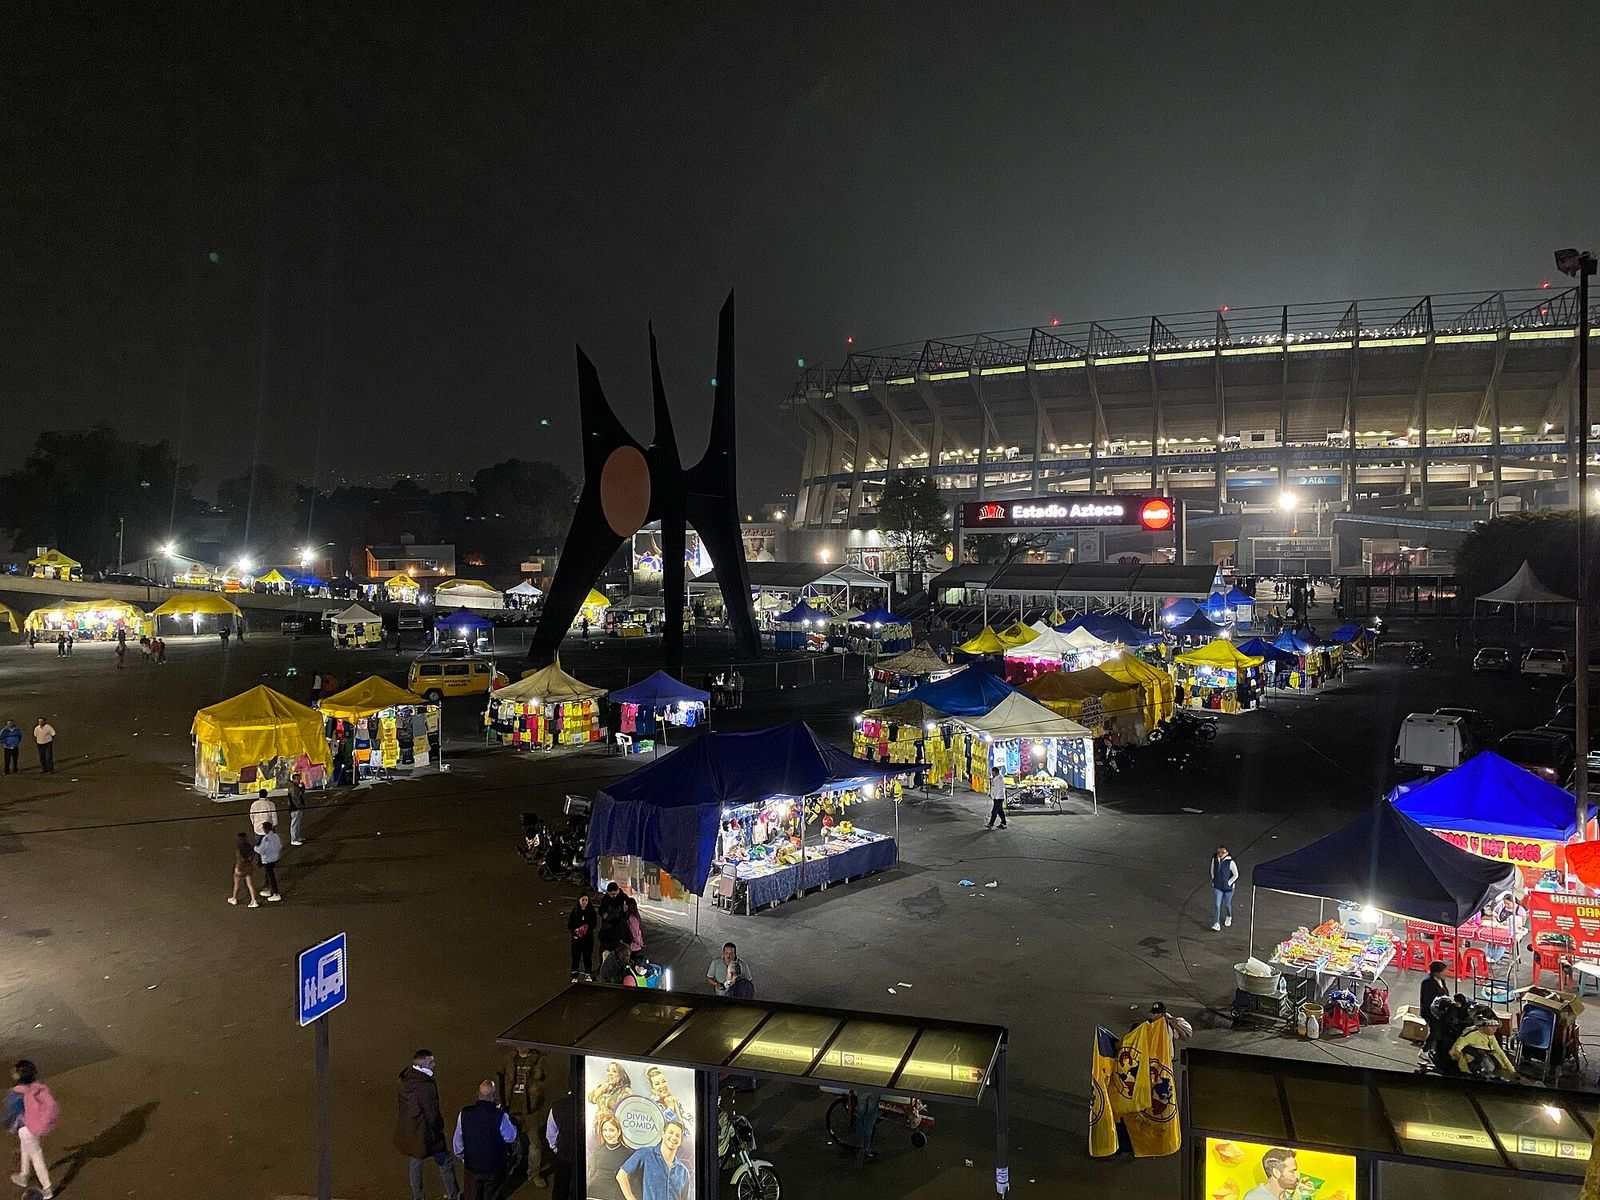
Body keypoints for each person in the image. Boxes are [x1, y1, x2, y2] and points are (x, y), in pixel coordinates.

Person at [396, 1050, 461, 1200]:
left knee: (415, 1162)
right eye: (431, 1062)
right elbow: (431, 1113)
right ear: (424, 1063)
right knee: (445, 1162)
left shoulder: (405, 1079)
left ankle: (417, 1197)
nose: (434, 1064)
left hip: (412, 1131)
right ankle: (454, 1195)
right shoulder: (425, 1085)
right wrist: (439, 1127)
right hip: (428, 1133)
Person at [452, 1079, 517, 1200]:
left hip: (472, 1168)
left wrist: (463, 1157)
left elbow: (458, 1143)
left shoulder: (464, 1113)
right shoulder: (500, 1115)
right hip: (494, 1168)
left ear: (478, 1094)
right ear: (494, 1096)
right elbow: (511, 1137)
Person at [7, 1059, 58, 1199]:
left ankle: (47, 1188)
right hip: (36, 1125)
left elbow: (12, 1114)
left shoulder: (17, 1093)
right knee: (26, 1149)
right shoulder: (37, 1087)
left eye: (15, 1071)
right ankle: (24, 1175)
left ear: (19, 1075)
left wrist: (9, 1125)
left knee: (36, 1156)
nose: (12, 1072)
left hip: (26, 1129)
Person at [502, 1046, 547, 1189]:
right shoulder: (509, 1058)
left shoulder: (538, 1059)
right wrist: (502, 1103)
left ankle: (534, 1174)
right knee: (509, 1142)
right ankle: (509, 1172)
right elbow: (501, 1080)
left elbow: (541, 1078)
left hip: (530, 1109)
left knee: (535, 1143)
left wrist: (538, 1067)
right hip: (512, 1108)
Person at [616, 1118, 689, 1200]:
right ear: (663, 1134)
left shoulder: (683, 1172)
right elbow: (621, 1175)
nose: (674, 1137)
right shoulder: (646, 1154)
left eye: (677, 1135)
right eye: (671, 1132)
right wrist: (631, 1198)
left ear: (680, 1140)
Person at [587, 1111, 631, 1200]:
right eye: (605, 1130)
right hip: (593, 1194)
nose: (607, 1134)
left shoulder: (628, 1154)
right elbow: (591, 1174)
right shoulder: (597, 1152)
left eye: (611, 1130)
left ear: (619, 1132)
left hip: (616, 1196)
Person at [1419, 960, 1451, 1061]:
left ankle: (1435, 1049)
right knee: (1435, 1031)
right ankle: (1424, 1051)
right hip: (1430, 1012)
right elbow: (1428, 1001)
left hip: (1440, 1011)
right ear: (1437, 972)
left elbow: (1445, 993)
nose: (1446, 973)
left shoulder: (1441, 980)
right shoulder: (1427, 983)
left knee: (1441, 1030)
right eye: (1444, 971)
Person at [228, 831, 260, 908]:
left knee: (237, 884)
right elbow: (252, 856)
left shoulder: (239, 848)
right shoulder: (249, 846)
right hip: (249, 867)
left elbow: (239, 859)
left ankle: (234, 898)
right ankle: (254, 900)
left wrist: (237, 868)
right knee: (250, 884)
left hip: (241, 868)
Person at [1210, 846, 1238, 932]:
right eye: (1219, 852)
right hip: (1218, 887)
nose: (1220, 854)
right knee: (1217, 904)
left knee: (1227, 904)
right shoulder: (1214, 860)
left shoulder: (1231, 862)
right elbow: (1212, 870)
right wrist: (1214, 880)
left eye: (1223, 852)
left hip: (1228, 888)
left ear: (1226, 853)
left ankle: (1229, 916)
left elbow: (1236, 874)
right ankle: (1216, 923)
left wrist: (1229, 883)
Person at [568, 894, 596, 980]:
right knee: (576, 957)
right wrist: (575, 932)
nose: (584, 902)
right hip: (577, 940)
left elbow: (594, 924)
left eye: (586, 900)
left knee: (587, 957)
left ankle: (587, 974)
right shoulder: (575, 911)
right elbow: (570, 925)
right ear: (579, 900)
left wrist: (586, 929)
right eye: (582, 900)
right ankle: (574, 975)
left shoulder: (591, 911)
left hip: (587, 939)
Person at [256, 821, 284, 901]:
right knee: (268, 875)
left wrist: (255, 848)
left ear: (265, 829)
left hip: (268, 860)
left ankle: (275, 893)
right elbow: (280, 846)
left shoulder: (266, 838)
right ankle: (268, 889)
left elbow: (261, 850)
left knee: (271, 876)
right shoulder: (276, 836)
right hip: (275, 858)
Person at [597, 883, 627, 952]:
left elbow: (626, 915)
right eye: (611, 894)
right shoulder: (606, 898)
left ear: (618, 890)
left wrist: (624, 912)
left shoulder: (623, 898)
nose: (614, 896)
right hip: (607, 930)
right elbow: (601, 909)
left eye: (615, 894)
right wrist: (603, 913)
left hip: (618, 930)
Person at [286, 770, 307, 845]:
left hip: (297, 807)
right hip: (295, 808)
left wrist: (303, 787)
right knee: (294, 824)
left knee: (297, 823)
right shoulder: (293, 787)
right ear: (293, 779)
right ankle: (294, 839)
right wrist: (299, 806)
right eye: (297, 779)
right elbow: (295, 798)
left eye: (299, 779)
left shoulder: (295, 786)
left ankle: (297, 837)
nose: (299, 780)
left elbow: (301, 793)